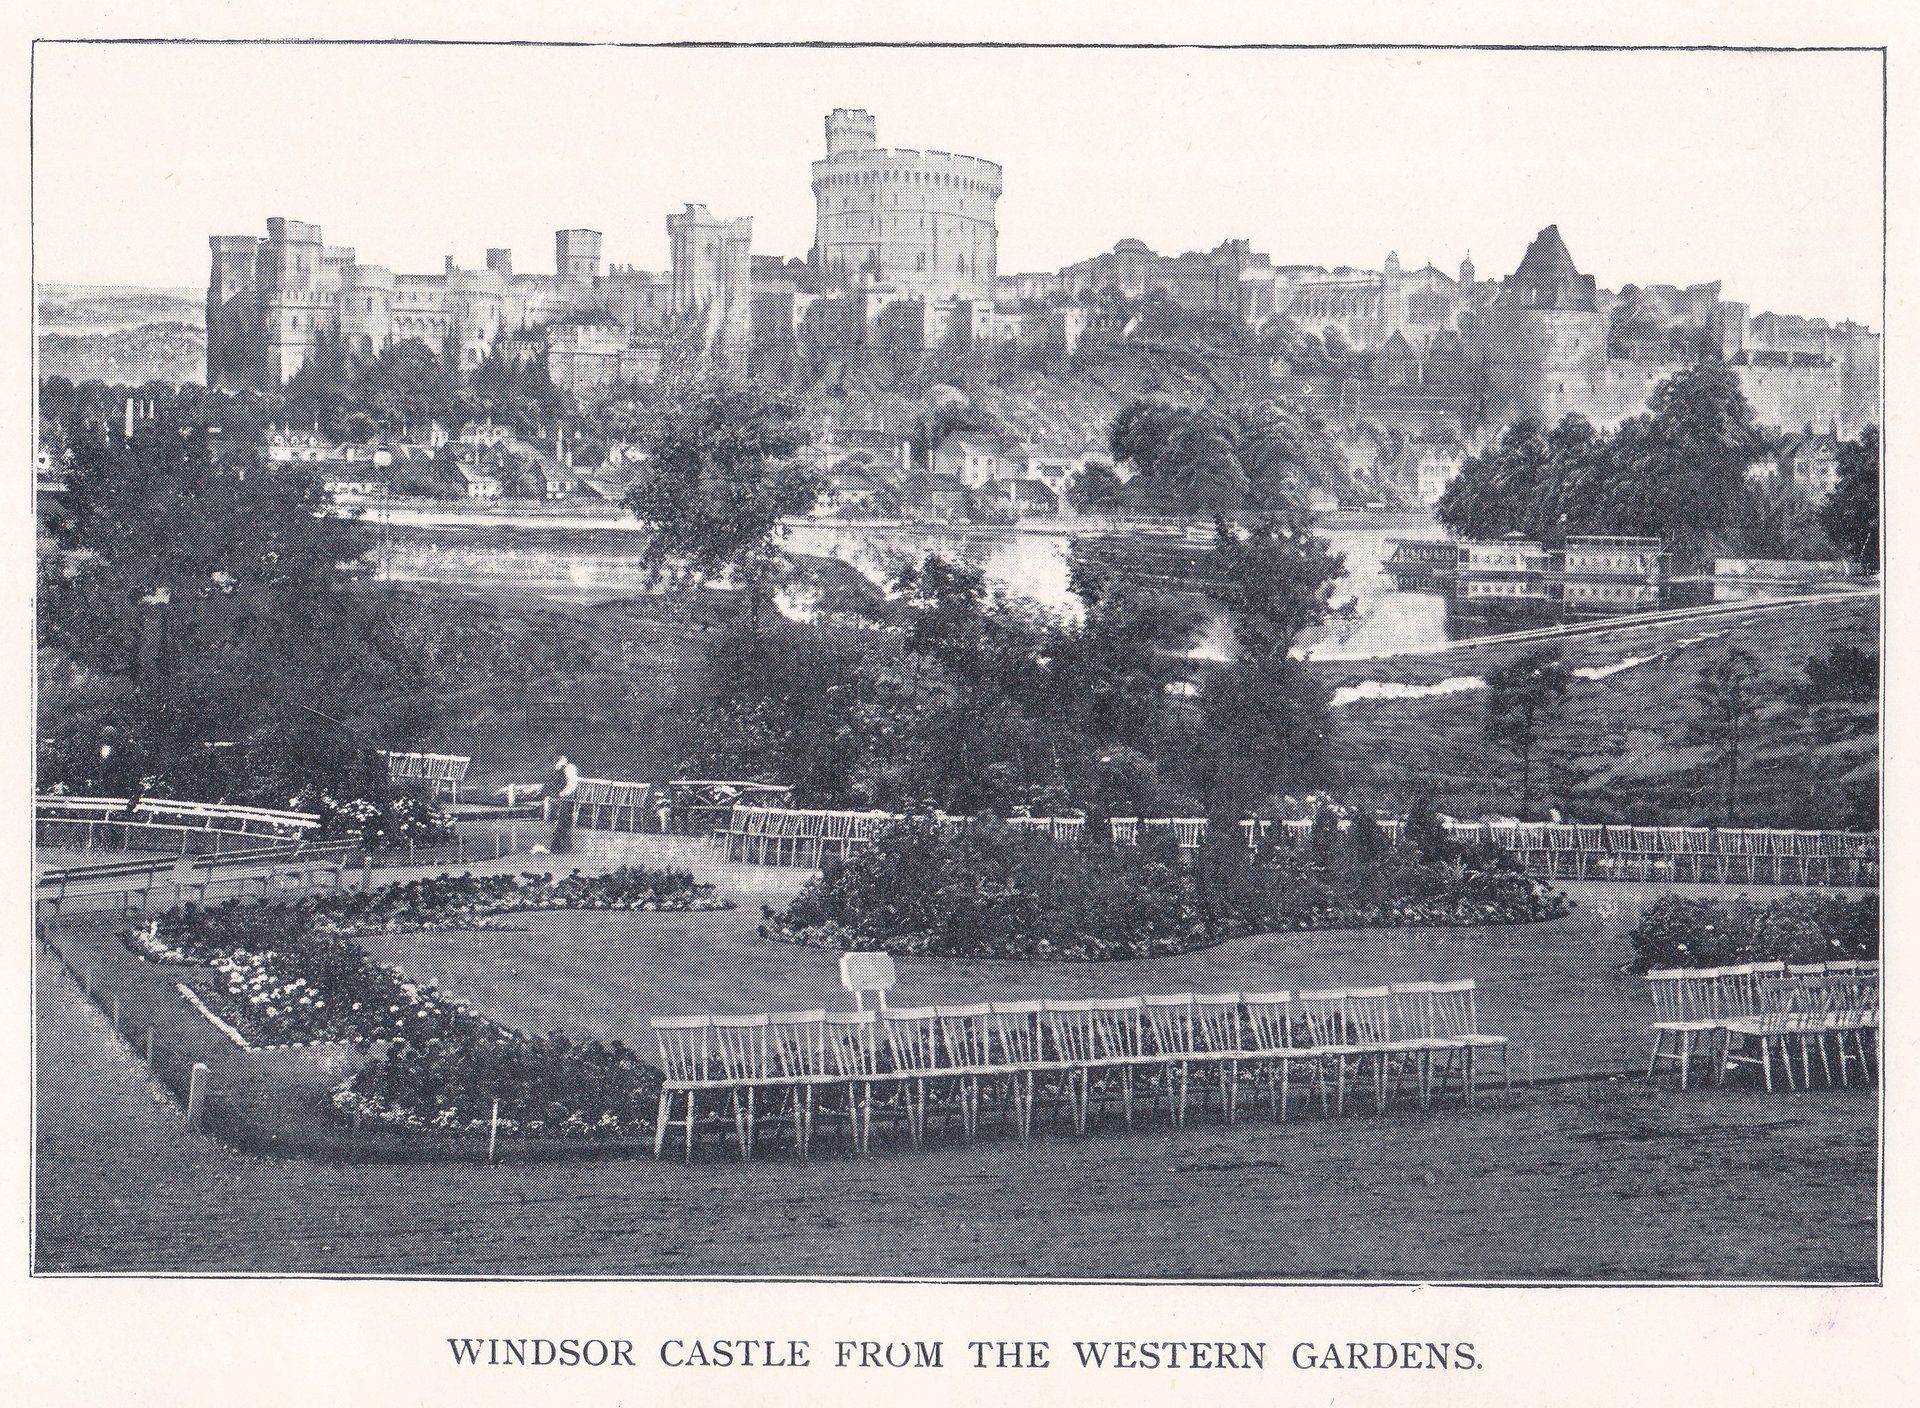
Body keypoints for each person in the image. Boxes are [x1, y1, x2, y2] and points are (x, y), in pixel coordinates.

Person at [550, 753, 580, 854]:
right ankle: (560, 846)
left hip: (567, 798)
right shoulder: (561, 768)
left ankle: (562, 847)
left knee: (563, 822)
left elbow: (572, 784)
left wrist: (563, 793)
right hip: (563, 797)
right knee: (560, 822)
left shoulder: (570, 768)